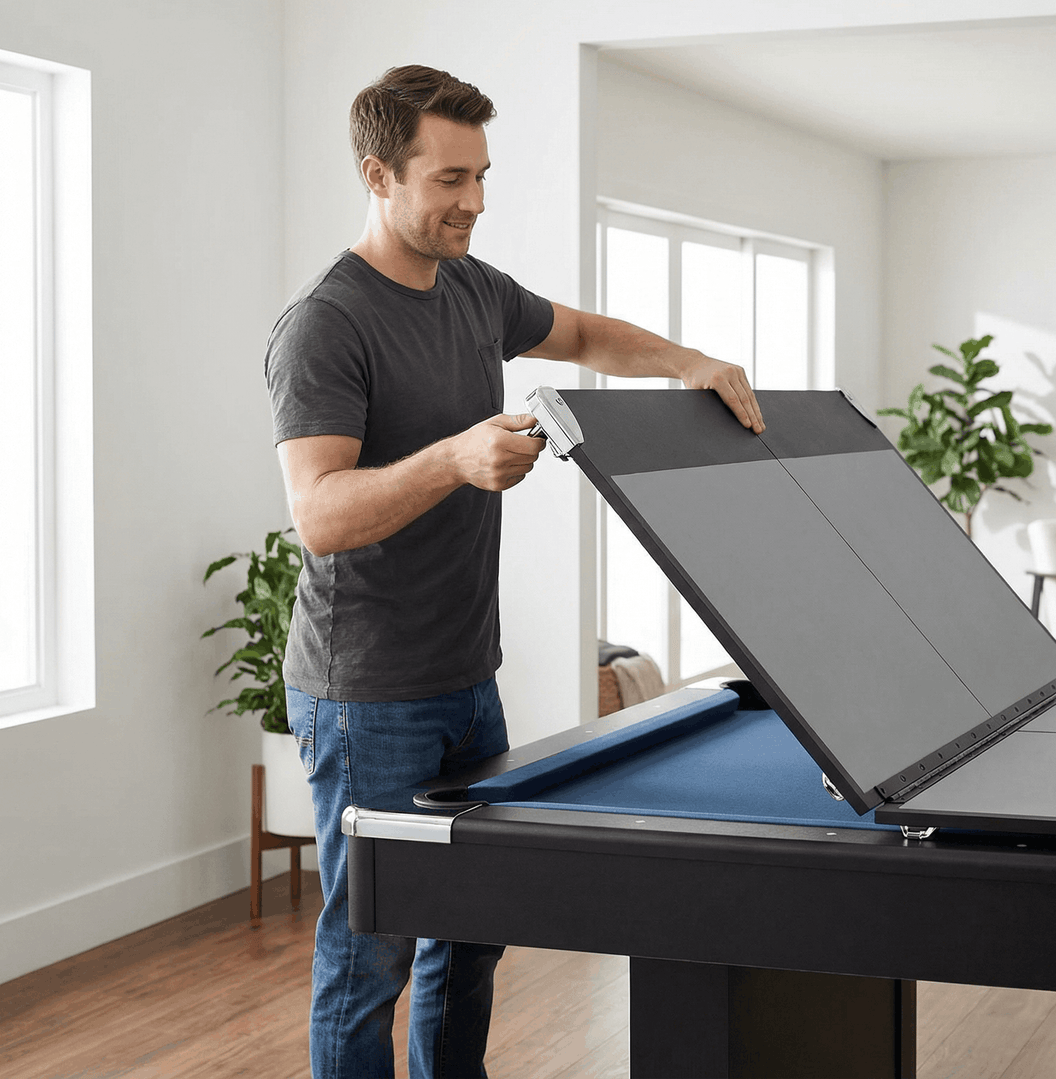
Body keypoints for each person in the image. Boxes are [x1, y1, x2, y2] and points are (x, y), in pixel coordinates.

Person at [264, 64, 763, 1079]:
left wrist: (689, 363)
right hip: (365, 694)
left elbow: (581, 334)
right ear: (378, 175)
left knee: (470, 927)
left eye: (482, 175)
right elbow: (318, 514)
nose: (475, 202)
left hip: (464, 674)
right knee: (369, 954)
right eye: (450, 179)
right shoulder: (326, 322)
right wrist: (453, 458)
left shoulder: (472, 289)